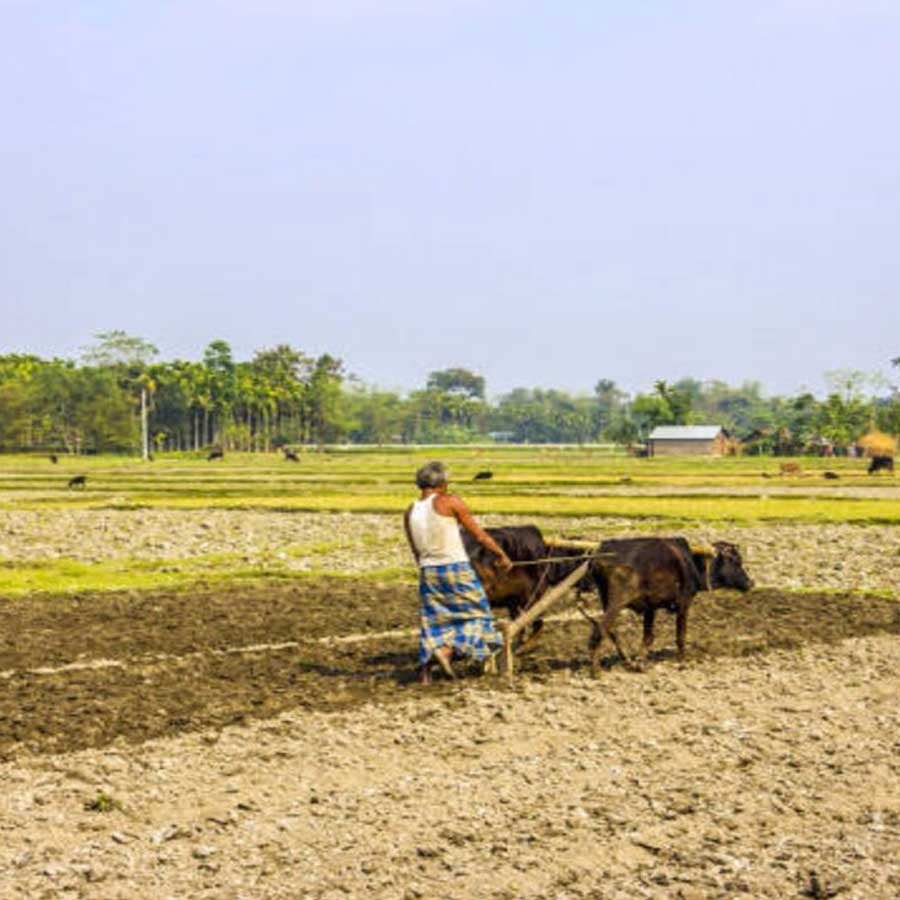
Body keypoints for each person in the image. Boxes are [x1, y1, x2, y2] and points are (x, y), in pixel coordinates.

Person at [403, 460, 512, 684]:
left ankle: (425, 673)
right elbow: (479, 535)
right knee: (479, 617)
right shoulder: (449, 501)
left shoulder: (410, 510)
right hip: (455, 568)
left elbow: (415, 549)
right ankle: (447, 652)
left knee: (433, 622)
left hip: (427, 571)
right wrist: (501, 555)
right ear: (442, 482)